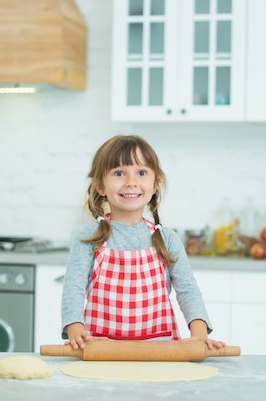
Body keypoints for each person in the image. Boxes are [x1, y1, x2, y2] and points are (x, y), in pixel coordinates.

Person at [61, 134, 226, 350]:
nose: (131, 182)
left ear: (155, 183)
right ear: (100, 186)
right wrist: (76, 330)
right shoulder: (88, 238)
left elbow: (187, 289)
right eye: (119, 173)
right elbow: (73, 288)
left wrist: (199, 335)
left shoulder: (167, 239)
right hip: (101, 350)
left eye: (141, 173)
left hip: (158, 351)